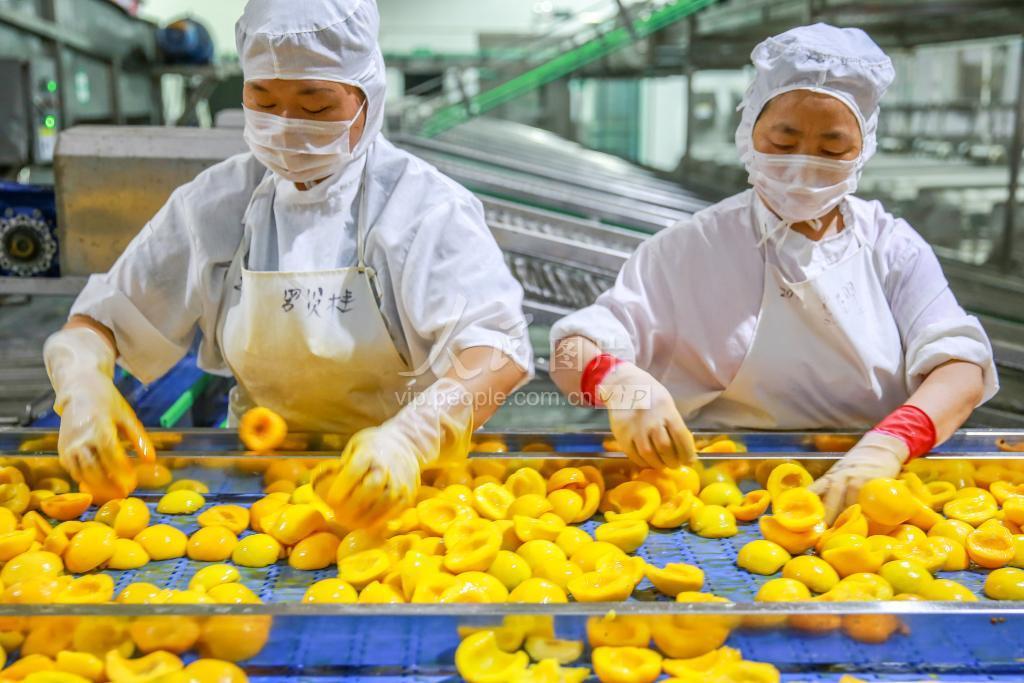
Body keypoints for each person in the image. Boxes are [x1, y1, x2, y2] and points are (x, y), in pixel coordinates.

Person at [43, 0, 531, 524]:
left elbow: (497, 351)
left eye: (315, 106)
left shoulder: (423, 208)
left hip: (408, 492)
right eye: (264, 101)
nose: (285, 127)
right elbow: (100, 321)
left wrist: (411, 440)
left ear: (368, 96)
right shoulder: (217, 202)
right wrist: (83, 385)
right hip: (258, 488)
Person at [549, 23, 997, 522]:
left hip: (871, 494)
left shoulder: (892, 247)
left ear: (863, 148)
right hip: (716, 494)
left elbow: (961, 368)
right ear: (749, 134)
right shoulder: (689, 248)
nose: (804, 166)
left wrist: (889, 445)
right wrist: (620, 382)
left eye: (832, 149)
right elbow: (570, 352)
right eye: (784, 142)